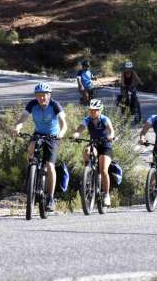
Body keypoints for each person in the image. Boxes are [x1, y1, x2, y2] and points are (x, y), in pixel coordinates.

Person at [15, 82, 67, 212]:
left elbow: (63, 123)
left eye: (44, 95)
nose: (41, 98)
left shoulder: (55, 105)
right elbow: (23, 118)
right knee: (30, 149)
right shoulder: (32, 104)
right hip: (38, 133)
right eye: (38, 95)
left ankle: (50, 197)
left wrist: (61, 133)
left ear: (49, 95)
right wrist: (17, 126)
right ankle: (32, 172)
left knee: (50, 165)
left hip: (53, 136)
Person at [72, 99, 115, 206]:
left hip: (105, 146)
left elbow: (111, 130)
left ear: (100, 110)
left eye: (95, 110)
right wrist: (76, 134)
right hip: (94, 144)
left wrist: (111, 136)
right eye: (91, 110)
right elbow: (80, 129)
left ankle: (106, 195)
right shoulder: (87, 120)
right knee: (87, 150)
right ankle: (88, 170)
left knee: (104, 169)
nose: (92, 112)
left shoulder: (105, 119)